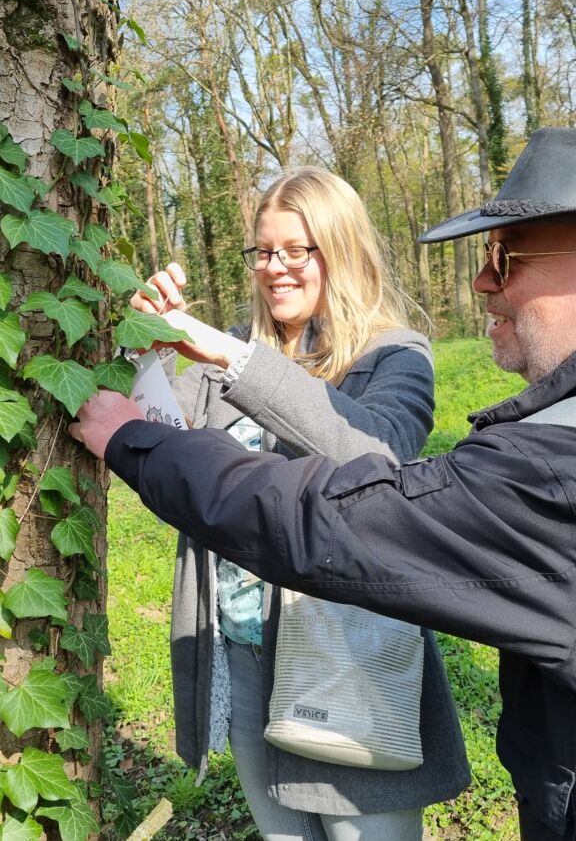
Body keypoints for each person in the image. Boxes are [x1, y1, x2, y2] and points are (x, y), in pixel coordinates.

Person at [72, 128, 576, 839]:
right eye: (262, 251)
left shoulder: (567, 458)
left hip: (365, 678)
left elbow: (348, 504)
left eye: (508, 257)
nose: (482, 282)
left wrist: (139, 440)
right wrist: (158, 347)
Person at [124, 166, 470, 841]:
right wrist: (147, 350)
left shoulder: (392, 356)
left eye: (295, 250)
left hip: (349, 661)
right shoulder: (225, 356)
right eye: (263, 250)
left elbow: (378, 455)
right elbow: (160, 449)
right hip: (243, 651)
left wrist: (232, 357)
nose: (274, 268)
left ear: (338, 252)